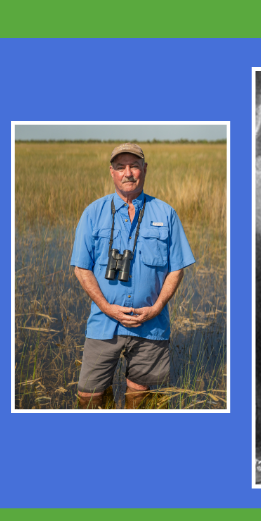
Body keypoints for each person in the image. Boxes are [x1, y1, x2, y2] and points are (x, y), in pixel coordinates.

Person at [70, 143, 196, 409]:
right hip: (103, 323)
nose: (128, 173)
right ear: (112, 173)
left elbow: (177, 267)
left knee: (139, 395)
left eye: (134, 166)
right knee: (88, 396)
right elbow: (81, 268)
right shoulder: (93, 213)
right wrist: (107, 308)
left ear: (144, 169)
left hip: (151, 325)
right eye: (120, 167)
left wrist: (157, 307)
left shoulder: (166, 213)